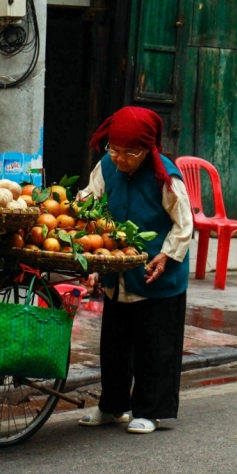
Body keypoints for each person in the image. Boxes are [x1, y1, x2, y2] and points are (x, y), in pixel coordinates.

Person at [77, 106, 193, 434]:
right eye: (114, 149)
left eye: (130, 153)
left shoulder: (165, 175)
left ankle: (149, 409)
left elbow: (184, 224)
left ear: (147, 149)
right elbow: (88, 204)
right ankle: (112, 406)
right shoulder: (106, 167)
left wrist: (167, 256)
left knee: (154, 346)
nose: (120, 159)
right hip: (118, 274)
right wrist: (90, 259)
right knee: (114, 345)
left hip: (157, 274)